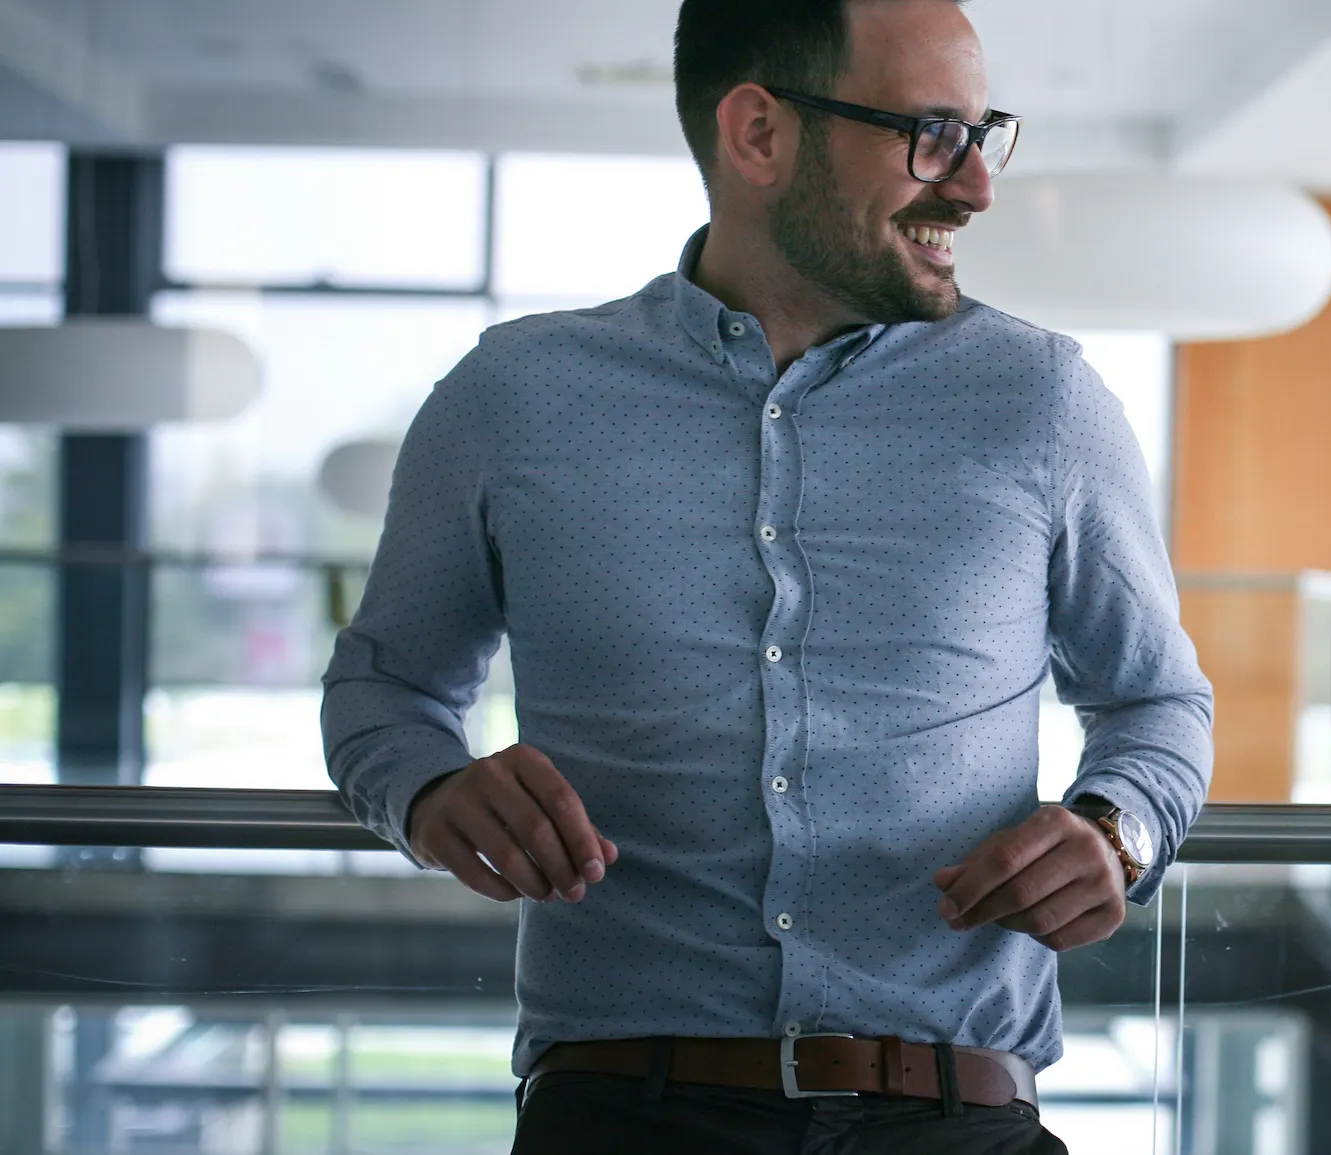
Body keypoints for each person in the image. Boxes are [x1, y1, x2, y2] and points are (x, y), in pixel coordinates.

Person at [319, 0, 1214, 1149]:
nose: (975, 187)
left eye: (981, 134)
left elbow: (1156, 701)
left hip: (957, 1118)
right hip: (621, 1114)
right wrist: (433, 790)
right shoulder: (513, 398)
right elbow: (383, 687)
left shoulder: (1042, 401)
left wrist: (1116, 830)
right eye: (930, 134)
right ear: (758, 135)